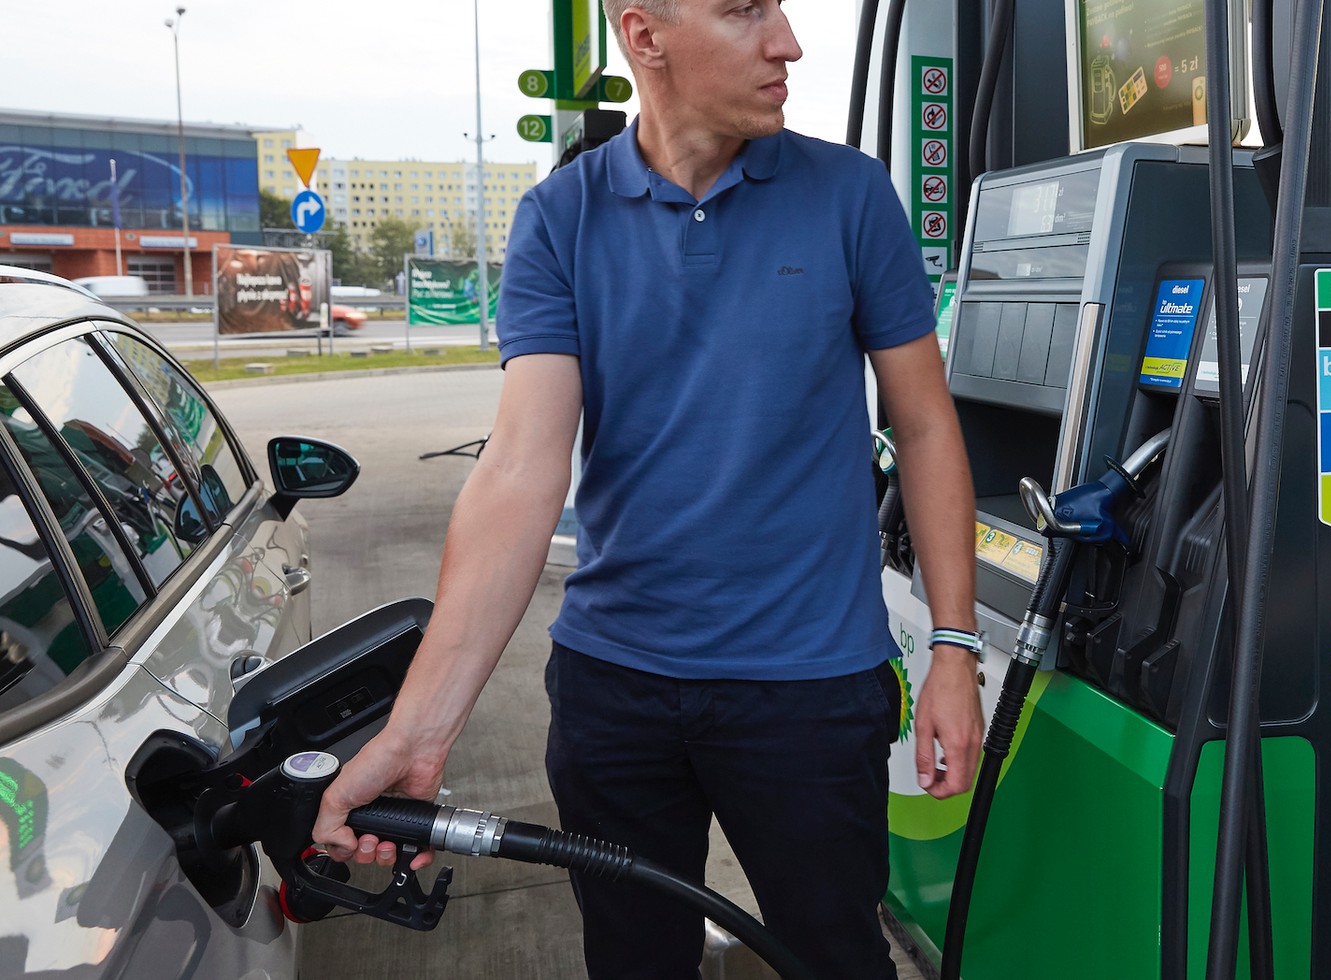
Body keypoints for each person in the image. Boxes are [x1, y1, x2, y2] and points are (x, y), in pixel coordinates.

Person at [312, 1, 984, 977]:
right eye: (744, 10)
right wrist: (420, 728)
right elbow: (520, 467)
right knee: (634, 963)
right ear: (645, 35)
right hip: (615, 692)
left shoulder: (851, 195)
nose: (788, 41)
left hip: (809, 689)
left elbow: (923, 424)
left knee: (835, 958)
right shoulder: (560, 218)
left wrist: (955, 646)